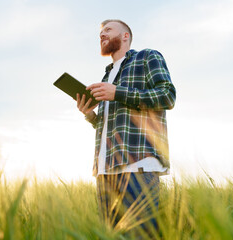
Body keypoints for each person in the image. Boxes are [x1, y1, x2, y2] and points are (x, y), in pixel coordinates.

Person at [76, 19, 176, 238]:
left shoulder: (147, 57)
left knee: (140, 235)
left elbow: (167, 96)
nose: (102, 35)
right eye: (100, 33)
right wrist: (91, 115)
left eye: (108, 30)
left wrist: (118, 93)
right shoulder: (107, 75)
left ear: (125, 36)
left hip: (137, 165)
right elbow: (112, 124)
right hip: (104, 171)